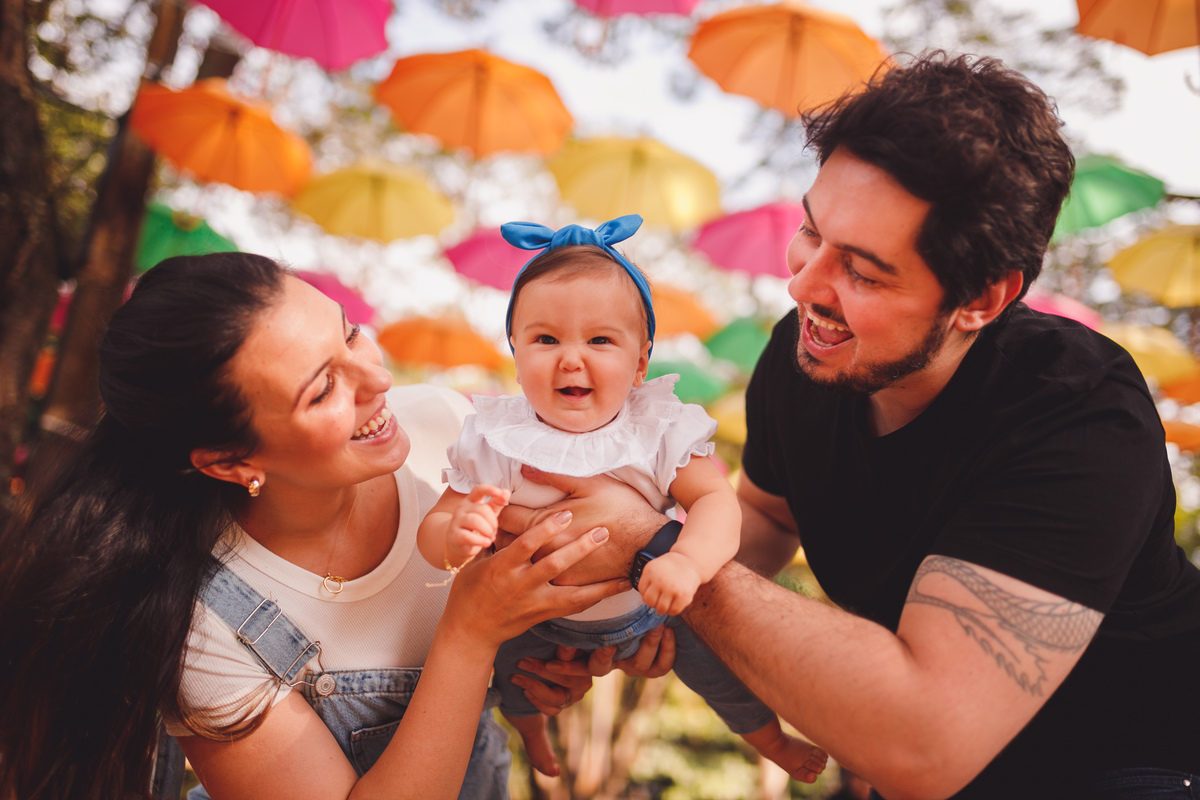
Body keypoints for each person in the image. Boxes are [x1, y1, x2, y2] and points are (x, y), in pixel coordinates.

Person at [502, 53, 1200, 799]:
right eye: (811, 232)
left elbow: (926, 744)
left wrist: (658, 551)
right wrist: (626, 621)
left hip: (1135, 756)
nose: (802, 285)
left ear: (982, 300)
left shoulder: (1078, 412)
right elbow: (766, 513)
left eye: (863, 272)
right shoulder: (803, 354)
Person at [0, 252, 632, 800]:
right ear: (230, 461)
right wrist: (470, 632)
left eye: (351, 333)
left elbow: (588, 556)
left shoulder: (453, 430)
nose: (379, 380)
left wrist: (581, 644)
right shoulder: (203, 626)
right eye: (323, 388)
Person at [416, 216, 827, 784]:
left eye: (600, 340)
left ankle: (767, 736)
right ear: (515, 349)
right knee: (508, 667)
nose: (570, 358)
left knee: (714, 660)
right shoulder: (493, 436)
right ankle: (530, 732)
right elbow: (435, 522)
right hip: (532, 613)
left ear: (640, 362)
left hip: (646, 606)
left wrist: (686, 560)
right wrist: (455, 530)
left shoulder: (655, 431)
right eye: (545, 339)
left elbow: (716, 502)